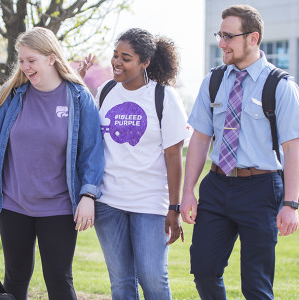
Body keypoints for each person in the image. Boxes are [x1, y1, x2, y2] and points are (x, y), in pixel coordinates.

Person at [0, 27, 104, 300]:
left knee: (59, 280)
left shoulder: (78, 98)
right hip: (14, 205)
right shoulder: (13, 95)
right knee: (15, 278)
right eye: (22, 61)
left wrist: (88, 194)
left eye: (32, 60)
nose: (25, 67)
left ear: (51, 58)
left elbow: (92, 151)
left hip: (59, 207)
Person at [180, 5, 299, 299]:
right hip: (216, 186)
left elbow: (293, 150)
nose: (221, 43)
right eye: (220, 35)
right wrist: (188, 191)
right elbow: (200, 140)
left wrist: (290, 204)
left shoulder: (280, 86)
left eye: (229, 36)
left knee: (256, 284)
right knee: (203, 270)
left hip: (261, 189)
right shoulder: (213, 81)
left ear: (253, 38)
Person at [85, 28, 190, 299]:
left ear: (145, 62)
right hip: (108, 202)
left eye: (126, 58)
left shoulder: (164, 97)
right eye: (115, 55)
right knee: (121, 283)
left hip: (150, 204)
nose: (117, 62)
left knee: (153, 279)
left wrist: (174, 208)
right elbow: (95, 144)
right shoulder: (106, 92)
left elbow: (173, 156)